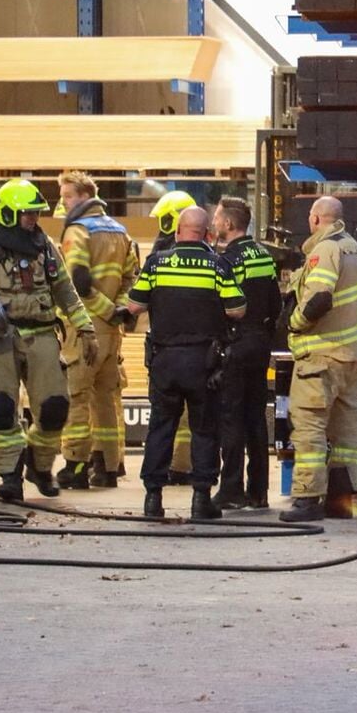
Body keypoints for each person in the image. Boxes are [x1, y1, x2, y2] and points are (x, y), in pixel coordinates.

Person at [0, 179, 101, 502]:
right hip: (0, 338)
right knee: (3, 409)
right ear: (7, 214)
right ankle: (10, 476)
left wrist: (85, 328)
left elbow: (66, 291)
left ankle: (39, 466)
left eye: (35, 213)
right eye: (27, 214)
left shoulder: (45, 247)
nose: (33, 219)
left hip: (42, 334)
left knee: (54, 407)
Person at [122, 206, 244, 520]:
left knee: (161, 427)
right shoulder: (217, 266)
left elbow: (134, 305)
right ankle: (201, 499)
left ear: (177, 232)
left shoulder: (156, 263)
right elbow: (237, 309)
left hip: (164, 361)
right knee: (204, 429)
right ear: (207, 234)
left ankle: (153, 499)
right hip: (203, 362)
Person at [279, 195, 357, 523]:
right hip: (351, 355)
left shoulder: (325, 249)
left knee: (309, 427)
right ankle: (340, 500)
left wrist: (293, 323)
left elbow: (318, 299)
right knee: (345, 432)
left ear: (316, 219)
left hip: (321, 356)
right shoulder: (355, 249)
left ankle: (306, 497)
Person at [54, 172, 139, 490]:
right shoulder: (120, 231)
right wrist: (119, 310)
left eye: (65, 197)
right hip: (112, 331)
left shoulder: (77, 231)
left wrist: (103, 310)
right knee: (106, 398)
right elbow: (132, 277)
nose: (62, 204)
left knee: (77, 397)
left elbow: (77, 280)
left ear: (82, 196)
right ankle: (108, 467)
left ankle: (75, 465)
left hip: (85, 328)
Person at [210, 196, 280, 510]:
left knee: (231, 417)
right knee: (255, 416)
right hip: (260, 341)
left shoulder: (228, 260)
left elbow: (223, 305)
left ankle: (231, 489)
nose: (214, 222)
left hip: (236, 344)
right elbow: (276, 302)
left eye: (216, 218)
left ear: (228, 223)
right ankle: (259, 491)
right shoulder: (263, 255)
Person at [147, 188, 201, 484]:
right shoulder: (210, 258)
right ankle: (187, 469)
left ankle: (157, 484)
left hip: (165, 349)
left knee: (164, 417)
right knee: (195, 417)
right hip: (197, 351)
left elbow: (139, 299)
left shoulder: (157, 260)